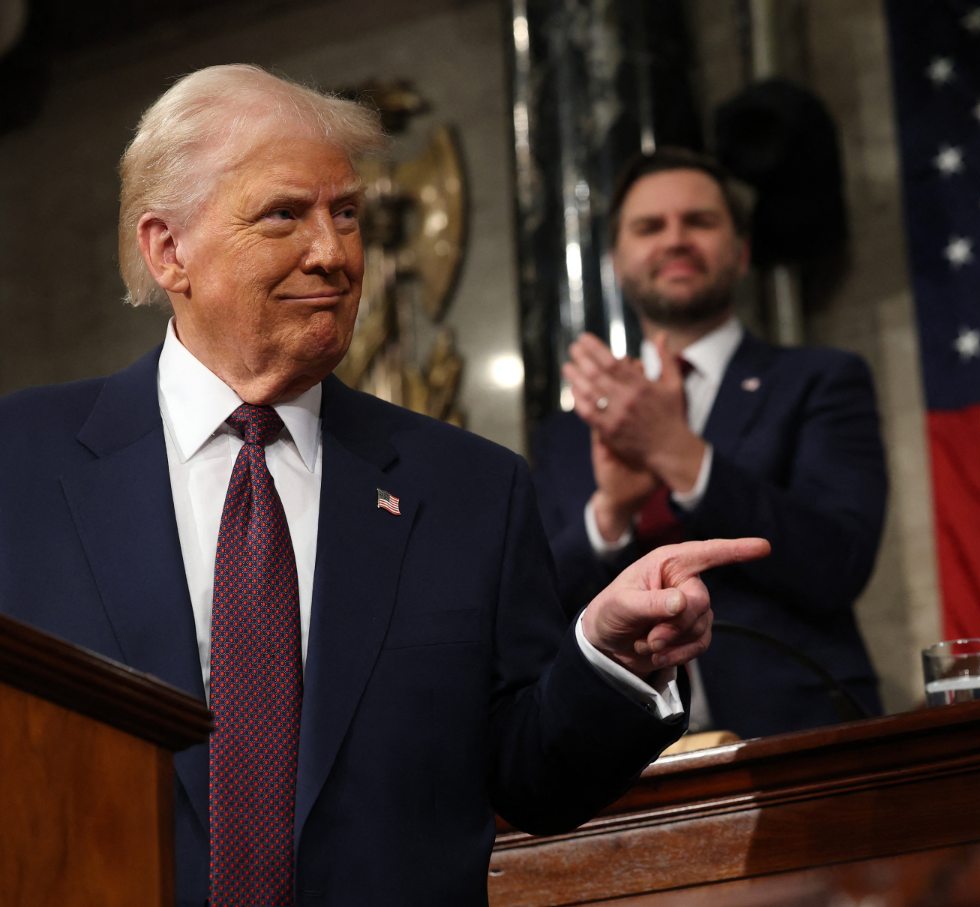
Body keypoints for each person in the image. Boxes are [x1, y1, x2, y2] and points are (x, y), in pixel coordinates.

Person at [0, 65, 768, 906]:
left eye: (347, 214)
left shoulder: (470, 489)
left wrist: (608, 659)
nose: (332, 252)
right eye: (284, 215)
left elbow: (533, 778)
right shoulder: (22, 466)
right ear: (168, 248)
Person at [530, 147, 887, 739]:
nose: (675, 239)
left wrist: (681, 455)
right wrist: (610, 513)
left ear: (741, 252)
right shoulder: (567, 434)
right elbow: (536, 613)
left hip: (801, 737)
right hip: (617, 761)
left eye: (699, 221)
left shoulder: (820, 380)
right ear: (618, 262)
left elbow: (839, 564)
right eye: (650, 227)